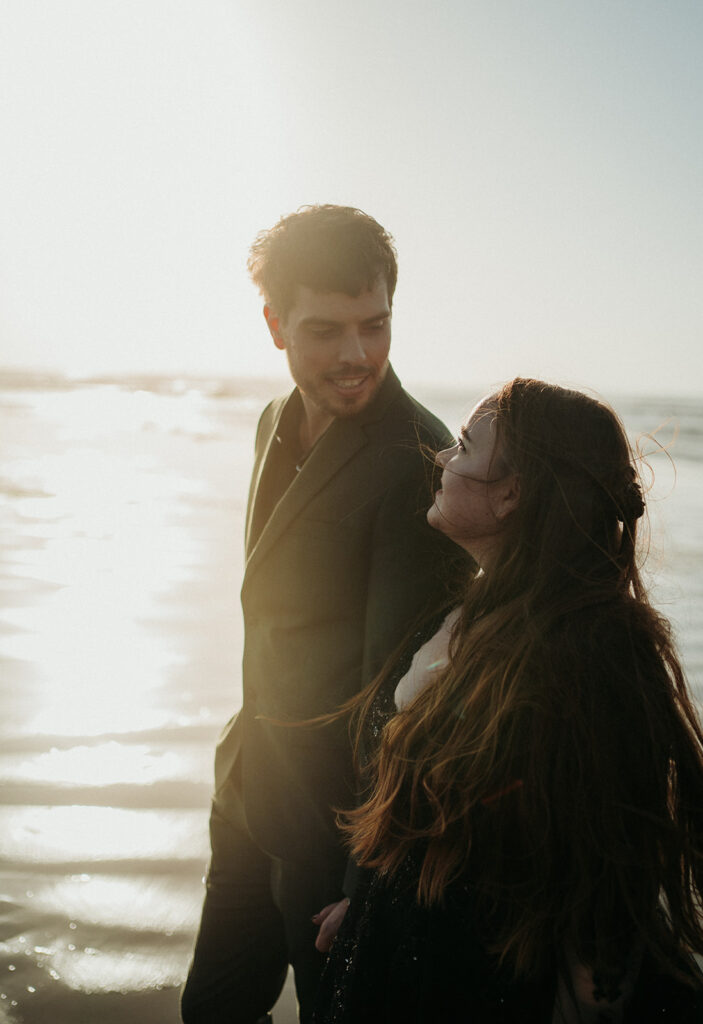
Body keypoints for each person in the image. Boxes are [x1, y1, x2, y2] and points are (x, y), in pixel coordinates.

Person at [312, 378, 703, 1023]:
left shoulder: (589, 657)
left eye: (464, 446)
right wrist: (373, 905)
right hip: (405, 963)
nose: (441, 457)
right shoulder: (468, 614)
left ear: (512, 494)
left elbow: (604, 896)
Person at [181, 205, 465, 1024]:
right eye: (326, 330)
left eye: (374, 326)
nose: (356, 355)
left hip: (337, 842)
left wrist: (366, 889)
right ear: (275, 325)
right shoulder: (272, 421)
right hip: (247, 793)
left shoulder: (417, 462)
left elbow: (408, 702)